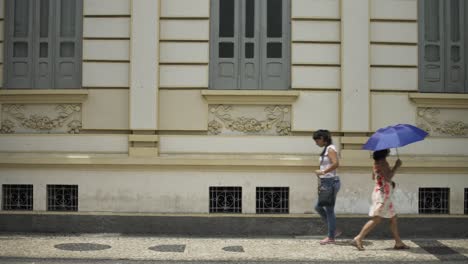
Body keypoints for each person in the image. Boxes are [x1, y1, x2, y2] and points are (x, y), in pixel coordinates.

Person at [352, 149, 410, 251]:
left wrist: (386, 181)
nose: (389, 151)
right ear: (384, 153)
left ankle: (398, 242)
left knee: (393, 218)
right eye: (387, 150)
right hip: (383, 195)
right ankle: (359, 238)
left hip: (381, 193)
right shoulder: (383, 162)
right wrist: (397, 166)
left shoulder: (376, 163)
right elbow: (388, 177)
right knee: (377, 218)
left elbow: (374, 177)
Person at [313, 129, 341, 245]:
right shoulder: (326, 149)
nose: (316, 143)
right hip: (326, 182)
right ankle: (334, 231)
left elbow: (336, 163)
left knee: (329, 210)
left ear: (323, 139)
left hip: (331, 181)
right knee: (318, 207)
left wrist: (323, 172)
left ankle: (331, 237)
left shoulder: (330, 149)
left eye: (317, 140)